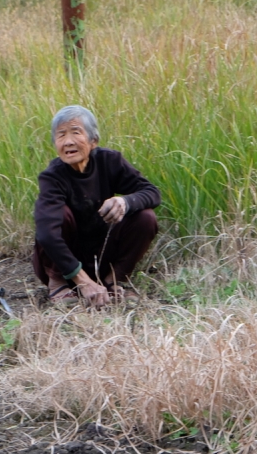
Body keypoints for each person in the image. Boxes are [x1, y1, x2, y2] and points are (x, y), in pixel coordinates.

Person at [33, 105, 161, 308]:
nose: (68, 142)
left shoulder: (110, 161)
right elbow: (46, 234)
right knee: (60, 215)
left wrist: (125, 201)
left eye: (76, 132)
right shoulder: (53, 177)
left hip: (101, 256)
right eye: (61, 135)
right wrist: (83, 282)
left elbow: (152, 193)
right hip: (65, 261)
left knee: (146, 217)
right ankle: (58, 283)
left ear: (93, 141)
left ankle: (112, 281)